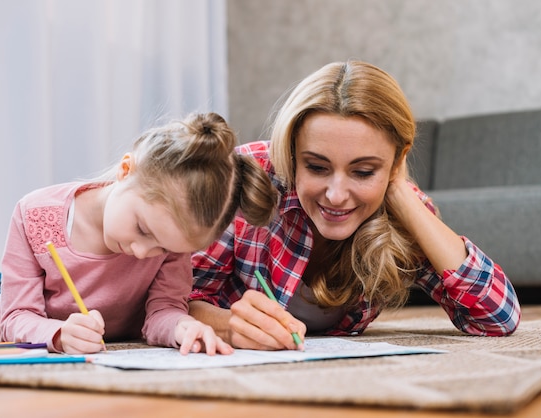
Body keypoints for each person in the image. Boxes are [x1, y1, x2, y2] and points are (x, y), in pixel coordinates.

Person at [188, 61, 521, 351]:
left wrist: (398, 192)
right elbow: (171, 301)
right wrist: (230, 325)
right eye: (316, 167)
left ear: (395, 161)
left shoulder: (402, 207)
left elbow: (498, 317)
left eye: (363, 172)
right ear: (291, 153)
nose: (336, 195)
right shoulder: (247, 176)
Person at [0, 112, 277, 355]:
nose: (144, 252)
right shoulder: (35, 213)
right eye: (142, 229)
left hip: (92, 325)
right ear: (126, 170)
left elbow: (163, 311)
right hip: (9, 300)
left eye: (162, 249)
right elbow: (16, 317)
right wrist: (57, 334)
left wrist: (181, 327)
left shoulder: (171, 239)